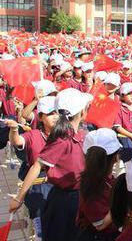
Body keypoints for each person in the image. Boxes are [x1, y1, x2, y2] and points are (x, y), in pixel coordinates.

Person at [9, 88, 94, 241]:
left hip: (79, 196)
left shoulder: (79, 135)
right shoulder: (62, 139)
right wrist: (19, 198)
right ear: (81, 112)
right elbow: (37, 166)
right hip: (64, 201)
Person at [5, 96, 58, 238]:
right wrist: (14, 130)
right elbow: (17, 141)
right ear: (40, 117)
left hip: (59, 184)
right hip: (37, 183)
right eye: (50, 113)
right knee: (41, 221)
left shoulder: (64, 135)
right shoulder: (33, 135)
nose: (55, 116)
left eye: (57, 112)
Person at [76, 128, 122, 241]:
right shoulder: (94, 185)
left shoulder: (98, 180)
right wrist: (121, 201)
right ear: (116, 158)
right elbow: (100, 224)